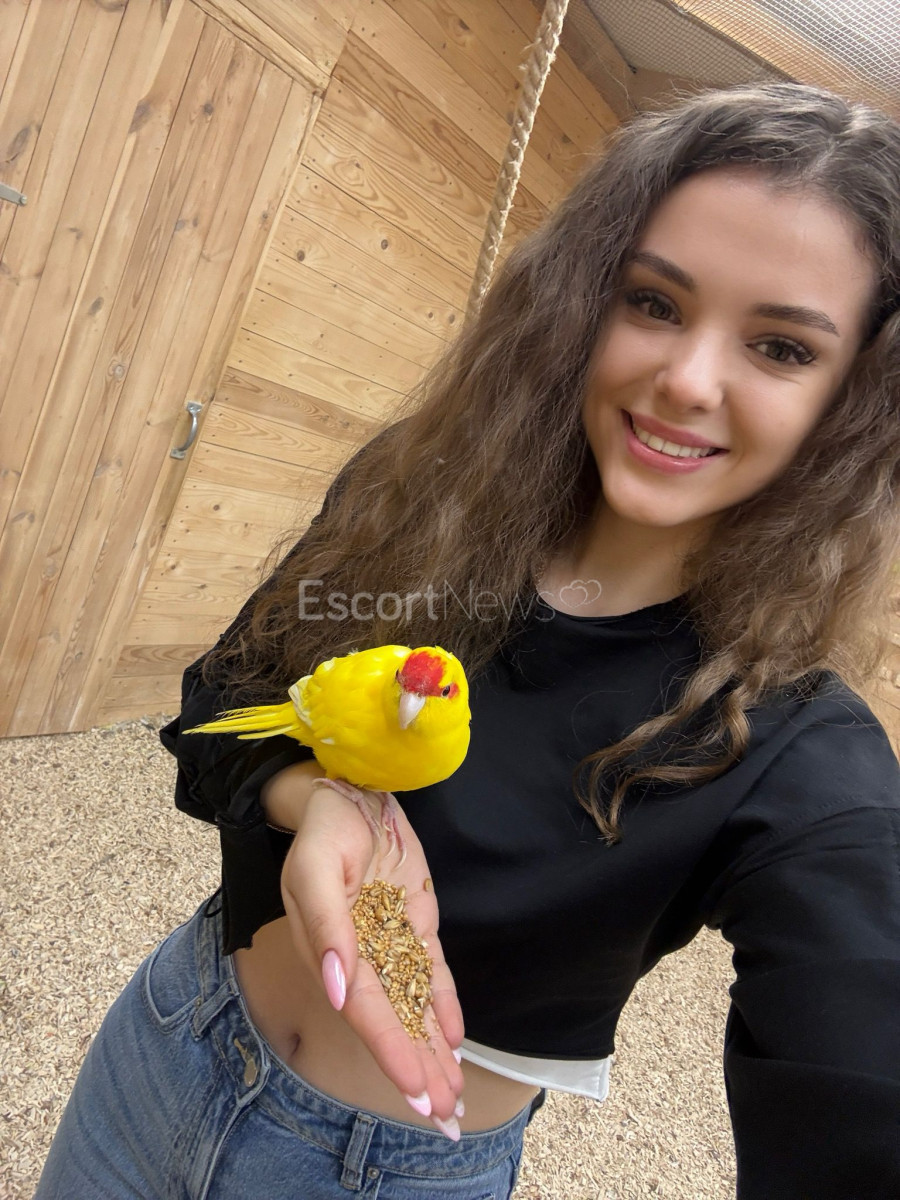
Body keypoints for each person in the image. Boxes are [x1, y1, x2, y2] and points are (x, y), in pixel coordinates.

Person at [37, 81, 900, 1199]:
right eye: (652, 302)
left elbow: (856, 1056)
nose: (687, 380)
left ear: (854, 402)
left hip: (395, 1175)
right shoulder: (419, 502)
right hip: (167, 1041)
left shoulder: (794, 745)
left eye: (780, 348)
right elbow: (215, 706)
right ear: (581, 300)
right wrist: (313, 799)